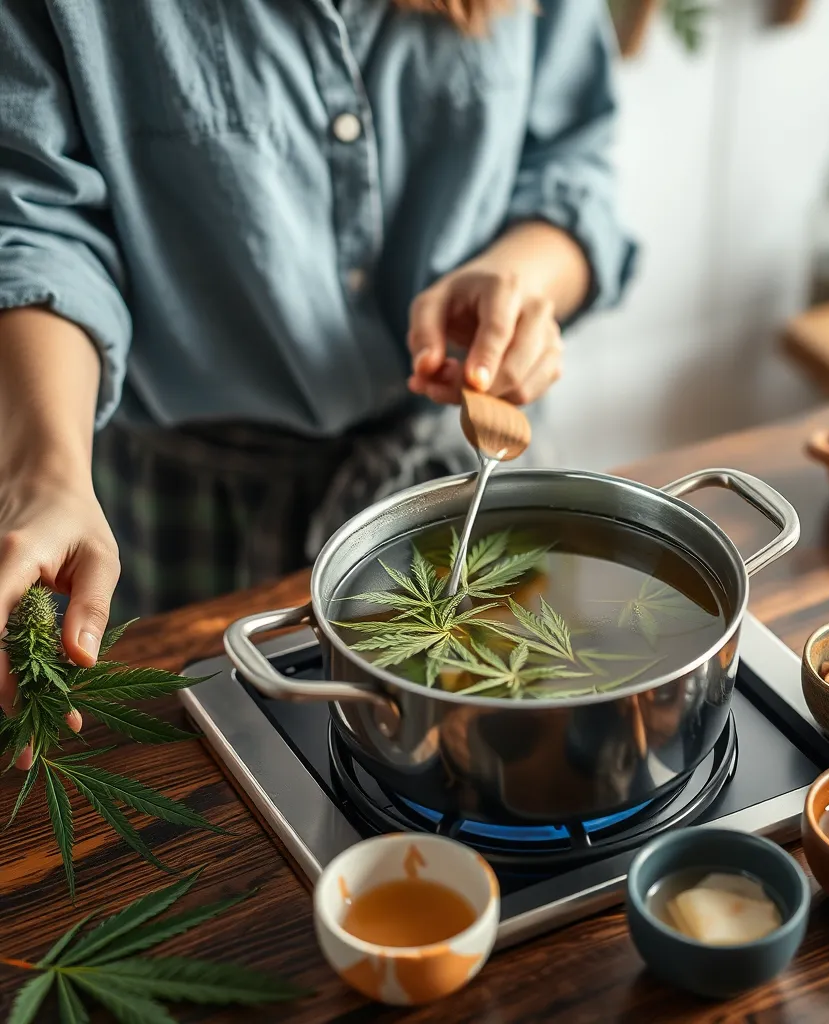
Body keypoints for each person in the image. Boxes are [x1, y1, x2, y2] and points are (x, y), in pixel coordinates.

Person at [0, 0, 636, 766]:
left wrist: (519, 278)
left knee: (505, 764)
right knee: (220, 802)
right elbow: (36, 225)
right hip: (190, 513)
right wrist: (47, 471)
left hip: (466, 470)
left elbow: (573, 165)